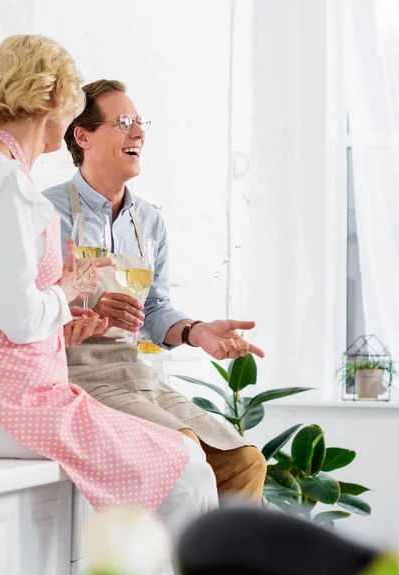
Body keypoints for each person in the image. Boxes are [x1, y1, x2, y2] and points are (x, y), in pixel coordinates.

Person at [0, 35, 217, 575]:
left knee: (187, 467)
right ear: (52, 102)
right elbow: (21, 321)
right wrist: (69, 288)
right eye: (70, 100)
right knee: (189, 472)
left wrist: (69, 309)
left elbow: (3, 308)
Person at [43, 79, 267, 502]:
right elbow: (27, 309)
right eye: (124, 122)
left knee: (244, 461)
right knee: (185, 451)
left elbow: (157, 307)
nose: (139, 133)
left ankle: (215, 571)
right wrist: (86, 304)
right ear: (82, 135)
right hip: (75, 376)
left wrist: (196, 331)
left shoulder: (149, 222)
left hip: (134, 373)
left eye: (140, 122)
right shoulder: (44, 212)